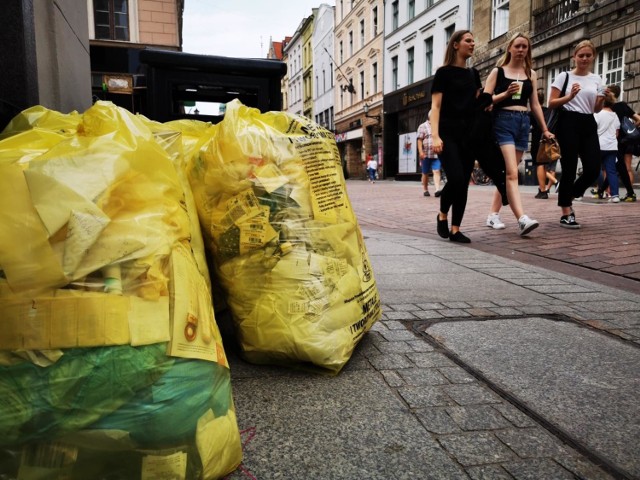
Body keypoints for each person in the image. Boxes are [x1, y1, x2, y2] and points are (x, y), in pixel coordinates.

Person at [482, 33, 551, 236]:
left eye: (525, 47)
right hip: (502, 121)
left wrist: (545, 129)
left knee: (507, 174)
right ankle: (522, 219)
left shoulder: (531, 73)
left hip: (523, 123)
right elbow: (485, 102)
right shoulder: (498, 72)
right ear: (510, 48)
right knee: (512, 173)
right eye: (518, 46)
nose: (521, 50)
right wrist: (505, 94)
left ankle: (493, 214)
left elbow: (535, 104)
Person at [431, 30, 482, 243]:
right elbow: (435, 106)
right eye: (468, 40)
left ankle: (455, 228)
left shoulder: (474, 74)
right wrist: (435, 136)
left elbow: (478, 105)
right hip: (447, 133)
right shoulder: (443, 73)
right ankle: (442, 214)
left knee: (463, 183)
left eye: (473, 40)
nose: (472, 44)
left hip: (468, 135)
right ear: (455, 45)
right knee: (457, 178)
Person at [548, 39, 605, 229]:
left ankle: (569, 194)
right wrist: (570, 96)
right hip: (568, 122)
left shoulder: (596, 79)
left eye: (588, 55)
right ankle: (566, 211)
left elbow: (596, 110)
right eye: (581, 55)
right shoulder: (563, 76)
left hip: (588, 121)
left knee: (593, 168)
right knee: (569, 167)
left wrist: (601, 99)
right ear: (574, 57)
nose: (585, 58)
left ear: (593, 56)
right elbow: (551, 103)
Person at [608, 84, 640, 202]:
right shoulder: (623, 106)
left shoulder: (608, 108)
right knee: (619, 166)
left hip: (614, 141)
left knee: (618, 166)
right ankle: (629, 192)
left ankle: (630, 193)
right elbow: (638, 119)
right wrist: (629, 131)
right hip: (624, 140)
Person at [531, 89, 559, 198]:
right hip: (551, 140)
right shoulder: (549, 111)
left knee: (539, 165)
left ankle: (543, 190)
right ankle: (547, 189)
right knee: (550, 167)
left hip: (538, 141)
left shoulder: (532, 112)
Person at [594, 92, 621, 202]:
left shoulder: (597, 114)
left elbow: (592, 131)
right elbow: (617, 133)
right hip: (612, 146)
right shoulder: (615, 116)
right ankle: (615, 195)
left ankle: (599, 189)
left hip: (599, 145)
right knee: (611, 171)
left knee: (594, 170)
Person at [416, 117, 442, 197]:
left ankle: (437, 189)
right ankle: (425, 189)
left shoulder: (439, 125)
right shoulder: (422, 126)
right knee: (425, 173)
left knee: (436, 171)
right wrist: (420, 152)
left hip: (437, 154)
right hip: (426, 154)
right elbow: (419, 140)